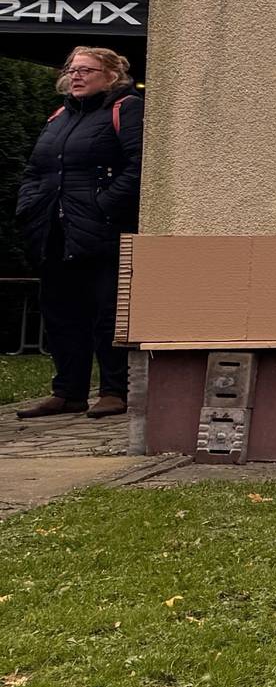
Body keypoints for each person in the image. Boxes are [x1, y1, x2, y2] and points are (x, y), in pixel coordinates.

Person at [14, 47, 141, 418]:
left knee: (107, 312)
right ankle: (68, 391)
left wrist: (104, 206)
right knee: (61, 313)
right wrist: (29, 207)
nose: (76, 76)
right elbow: (36, 170)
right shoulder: (59, 116)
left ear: (112, 75)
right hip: (55, 231)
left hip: (102, 232)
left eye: (87, 70)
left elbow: (138, 167)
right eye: (72, 69)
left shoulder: (126, 109)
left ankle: (114, 390)